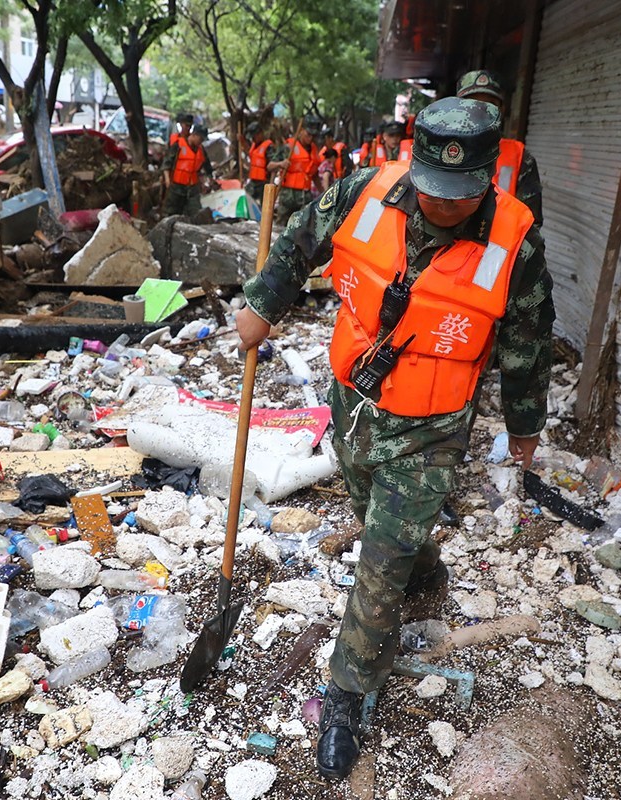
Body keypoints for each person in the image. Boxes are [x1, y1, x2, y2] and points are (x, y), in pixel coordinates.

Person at [236, 97, 555, 780]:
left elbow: (529, 341)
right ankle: (427, 569)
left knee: (378, 564)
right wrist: (263, 303)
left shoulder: (514, 245)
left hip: (433, 426)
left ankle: (348, 693)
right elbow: (300, 238)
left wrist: (525, 427)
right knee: (374, 518)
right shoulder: (366, 190)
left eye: (461, 195)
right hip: (353, 403)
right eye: (435, 194)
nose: (445, 207)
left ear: (486, 179)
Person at [457, 69, 544, 225]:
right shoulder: (440, 149)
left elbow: (531, 224)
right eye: (472, 103)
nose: (481, 110)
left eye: (490, 104)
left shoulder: (521, 158)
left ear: (502, 109)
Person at [269, 122, 318, 224]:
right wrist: (281, 164)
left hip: (305, 196)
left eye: (313, 136)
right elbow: (270, 166)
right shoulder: (288, 147)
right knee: (281, 224)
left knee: (303, 226)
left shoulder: (314, 149)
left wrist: (323, 191)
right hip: (288, 195)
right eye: (308, 135)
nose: (310, 138)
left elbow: (315, 174)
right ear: (301, 131)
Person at [162, 123, 213, 216]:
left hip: (192, 187)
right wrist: (167, 180)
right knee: (171, 211)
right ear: (194, 135)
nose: (200, 142)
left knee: (194, 212)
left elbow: (207, 167)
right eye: (200, 139)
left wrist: (210, 180)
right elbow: (167, 163)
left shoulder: (201, 150)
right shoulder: (178, 145)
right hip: (176, 186)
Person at [244, 122, 275, 203]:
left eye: (254, 136)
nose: (253, 139)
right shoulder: (254, 145)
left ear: (260, 134)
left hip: (263, 182)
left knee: (264, 206)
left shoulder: (268, 146)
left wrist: (271, 185)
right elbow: (251, 156)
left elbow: (273, 167)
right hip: (253, 181)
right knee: (246, 198)